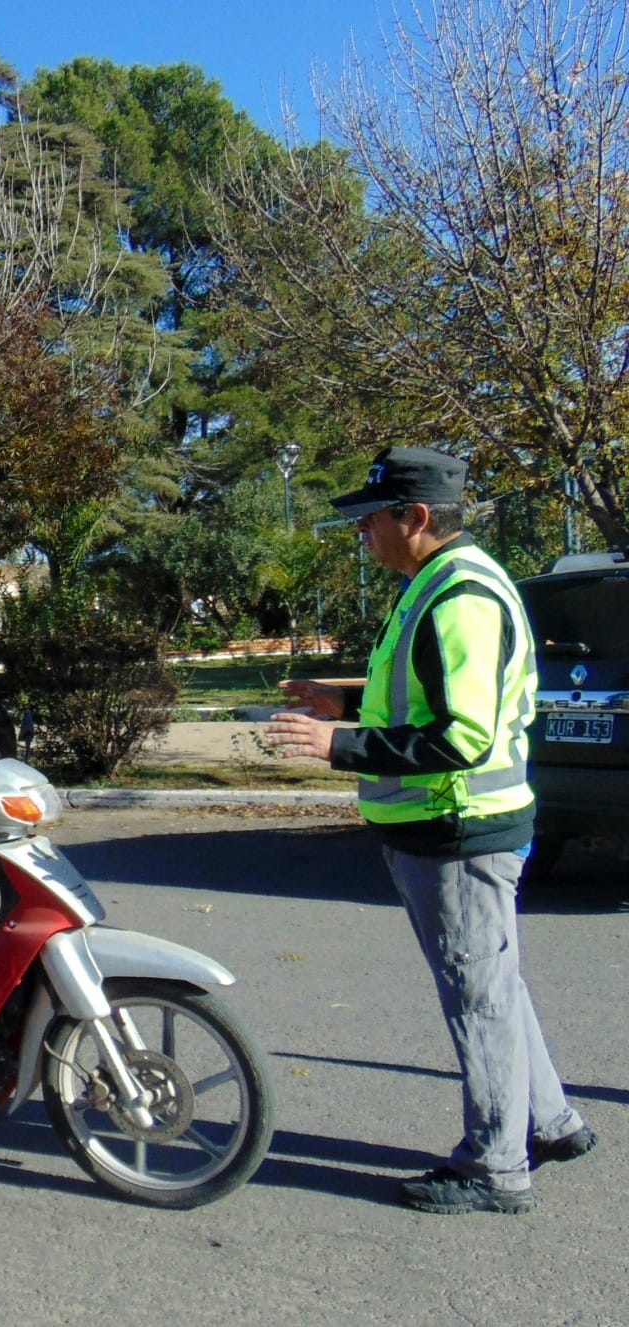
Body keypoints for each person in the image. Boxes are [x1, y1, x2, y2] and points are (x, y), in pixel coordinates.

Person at [266, 446, 594, 1215]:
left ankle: (496, 1166)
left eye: (370, 518)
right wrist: (341, 707)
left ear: (415, 517)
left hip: (457, 831)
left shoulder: (459, 597)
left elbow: (464, 736)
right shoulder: (439, 585)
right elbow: (418, 704)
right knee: (493, 984)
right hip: (452, 828)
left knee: (477, 995)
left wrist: (336, 746)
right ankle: (548, 1121)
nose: (362, 533)